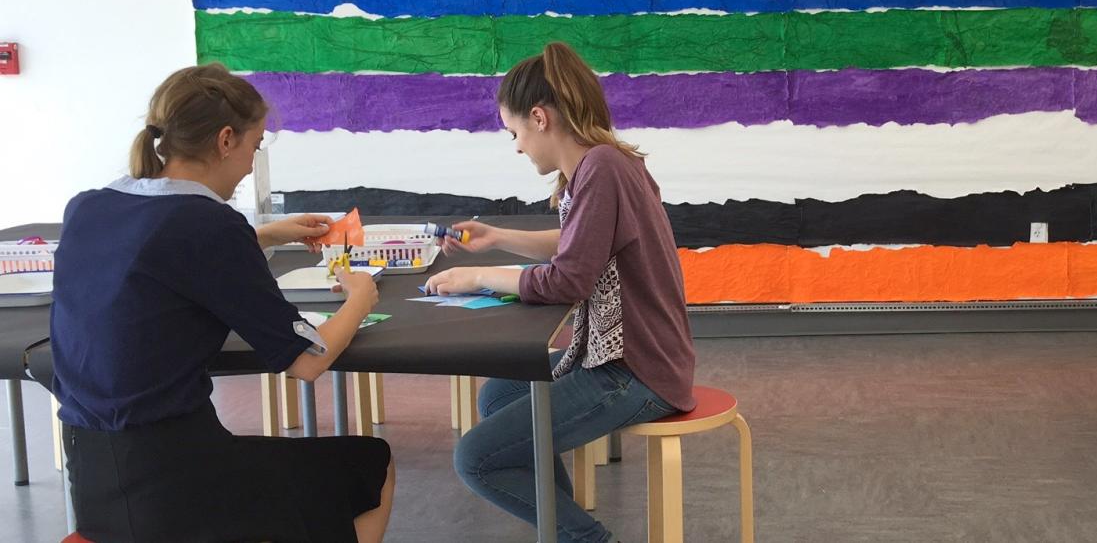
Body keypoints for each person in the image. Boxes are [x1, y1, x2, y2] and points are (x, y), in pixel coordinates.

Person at [49, 63, 394, 543]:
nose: (252, 162)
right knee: (371, 464)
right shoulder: (209, 224)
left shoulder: (88, 206)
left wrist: (266, 235)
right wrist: (360, 297)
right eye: (255, 146)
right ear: (226, 140)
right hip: (178, 484)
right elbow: (306, 362)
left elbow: (160, 257)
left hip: (93, 481)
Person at [425, 42, 696, 543]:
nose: (517, 147)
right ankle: (563, 527)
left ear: (539, 118)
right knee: (500, 394)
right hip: (624, 358)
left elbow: (568, 279)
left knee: (475, 459)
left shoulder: (603, 169)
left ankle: (584, 537)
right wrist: (497, 238)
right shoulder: (606, 163)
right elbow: (582, 245)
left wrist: (480, 275)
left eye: (515, 133)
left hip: (635, 370)